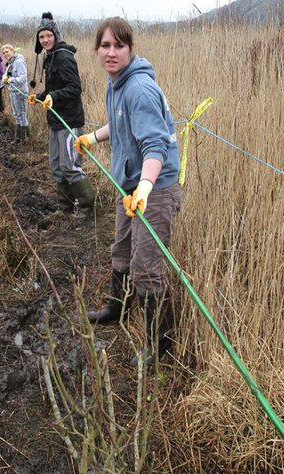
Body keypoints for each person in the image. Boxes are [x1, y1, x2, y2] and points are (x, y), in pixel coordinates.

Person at [75, 17, 182, 366]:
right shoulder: (115, 82)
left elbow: (155, 145)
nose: (111, 52)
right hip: (130, 186)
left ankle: (161, 342)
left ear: (130, 49)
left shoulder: (138, 88)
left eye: (118, 45)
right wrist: (93, 137)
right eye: (105, 45)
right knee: (121, 246)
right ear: (97, 50)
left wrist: (147, 188)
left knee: (147, 266)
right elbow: (119, 121)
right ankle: (117, 309)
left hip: (155, 188)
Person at [28, 12, 95, 217]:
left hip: (70, 121)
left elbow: (75, 88)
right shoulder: (50, 57)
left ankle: (86, 209)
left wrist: (54, 96)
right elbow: (55, 88)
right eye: (42, 37)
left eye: (48, 35)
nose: (45, 40)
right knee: (57, 165)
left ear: (55, 35)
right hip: (55, 121)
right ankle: (65, 208)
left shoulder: (64, 57)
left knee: (70, 165)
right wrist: (39, 96)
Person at [1, 45, 29, 143]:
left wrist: (10, 80)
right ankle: (18, 138)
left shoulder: (18, 62)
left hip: (20, 93)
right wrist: (4, 79)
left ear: (12, 51)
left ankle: (25, 138)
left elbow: (23, 78)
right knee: (16, 115)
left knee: (21, 115)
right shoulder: (10, 63)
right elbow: (5, 74)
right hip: (13, 92)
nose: (5, 54)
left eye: (7, 52)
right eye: (3, 53)